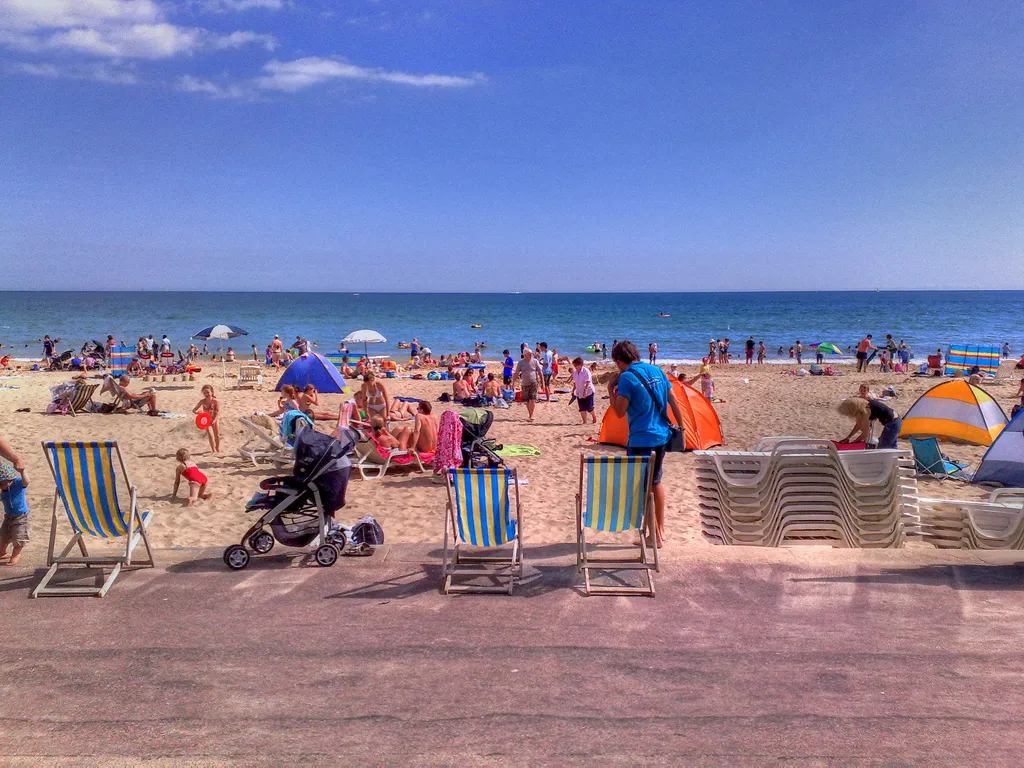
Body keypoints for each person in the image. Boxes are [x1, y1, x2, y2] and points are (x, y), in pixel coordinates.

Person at [607, 341, 684, 548]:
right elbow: (673, 401)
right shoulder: (657, 370)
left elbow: (620, 411)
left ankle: (654, 537)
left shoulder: (627, 377)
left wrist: (610, 391)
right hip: (661, 436)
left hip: (641, 439)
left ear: (618, 360)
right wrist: (682, 427)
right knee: (656, 482)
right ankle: (661, 531)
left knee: (643, 488)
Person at [837, 397, 902, 450]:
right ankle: (896, 461)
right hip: (895, 420)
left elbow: (865, 434)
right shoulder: (865, 407)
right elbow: (858, 425)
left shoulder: (866, 411)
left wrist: (853, 443)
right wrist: (848, 437)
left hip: (893, 422)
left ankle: (891, 462)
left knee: (884, 447)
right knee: (890, 444)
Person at [0, 462, 29, 566]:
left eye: (4, 483)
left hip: (21, 516)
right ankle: (2, 552)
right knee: (3, 535)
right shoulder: (2, 490)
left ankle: (16, 554)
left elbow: (26, 482)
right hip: (8, 516)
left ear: (10, 480)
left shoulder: (17, 484)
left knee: (19, 536)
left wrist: (22, 472)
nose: (2, 486)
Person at [513, 347, 543, 421]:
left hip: (534, 382)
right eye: (529, 353)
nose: (530, 354)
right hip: (524, 383)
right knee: (527, 400)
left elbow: (540, 372)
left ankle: (531, 415)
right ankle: (530, 414)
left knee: (532, 399)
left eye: (531, 353)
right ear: (525, 354)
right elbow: (516, 373)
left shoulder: (535, 361)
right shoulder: (521, 362)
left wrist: (543, 382)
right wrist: (513, 382)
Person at [193, 385, 221, 453]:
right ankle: (213, 450)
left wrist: (214, 420)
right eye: (204, 393)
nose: (206, 394)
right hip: (206, 420)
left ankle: (217, 447)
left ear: (212, 392)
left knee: (217, 435)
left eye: (207, 392)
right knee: (210, 435)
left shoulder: (215, 401)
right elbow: (194, 410)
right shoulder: (202, 401)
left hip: (214, 419)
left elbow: (217, 412)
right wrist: (197, 412)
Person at [571, 357, 596, 424]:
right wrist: (573, 391)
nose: (575, 366)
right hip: (579, 392)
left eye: (576, 365)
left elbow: (588, 382)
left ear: (580, 365)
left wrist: (585, 391)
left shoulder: (586, 371)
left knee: (589, 407)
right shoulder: (575, 373)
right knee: (581, 408)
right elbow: (575, 383)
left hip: (589, 391)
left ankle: (594, 416)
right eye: (574, 365)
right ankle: (584, 421)